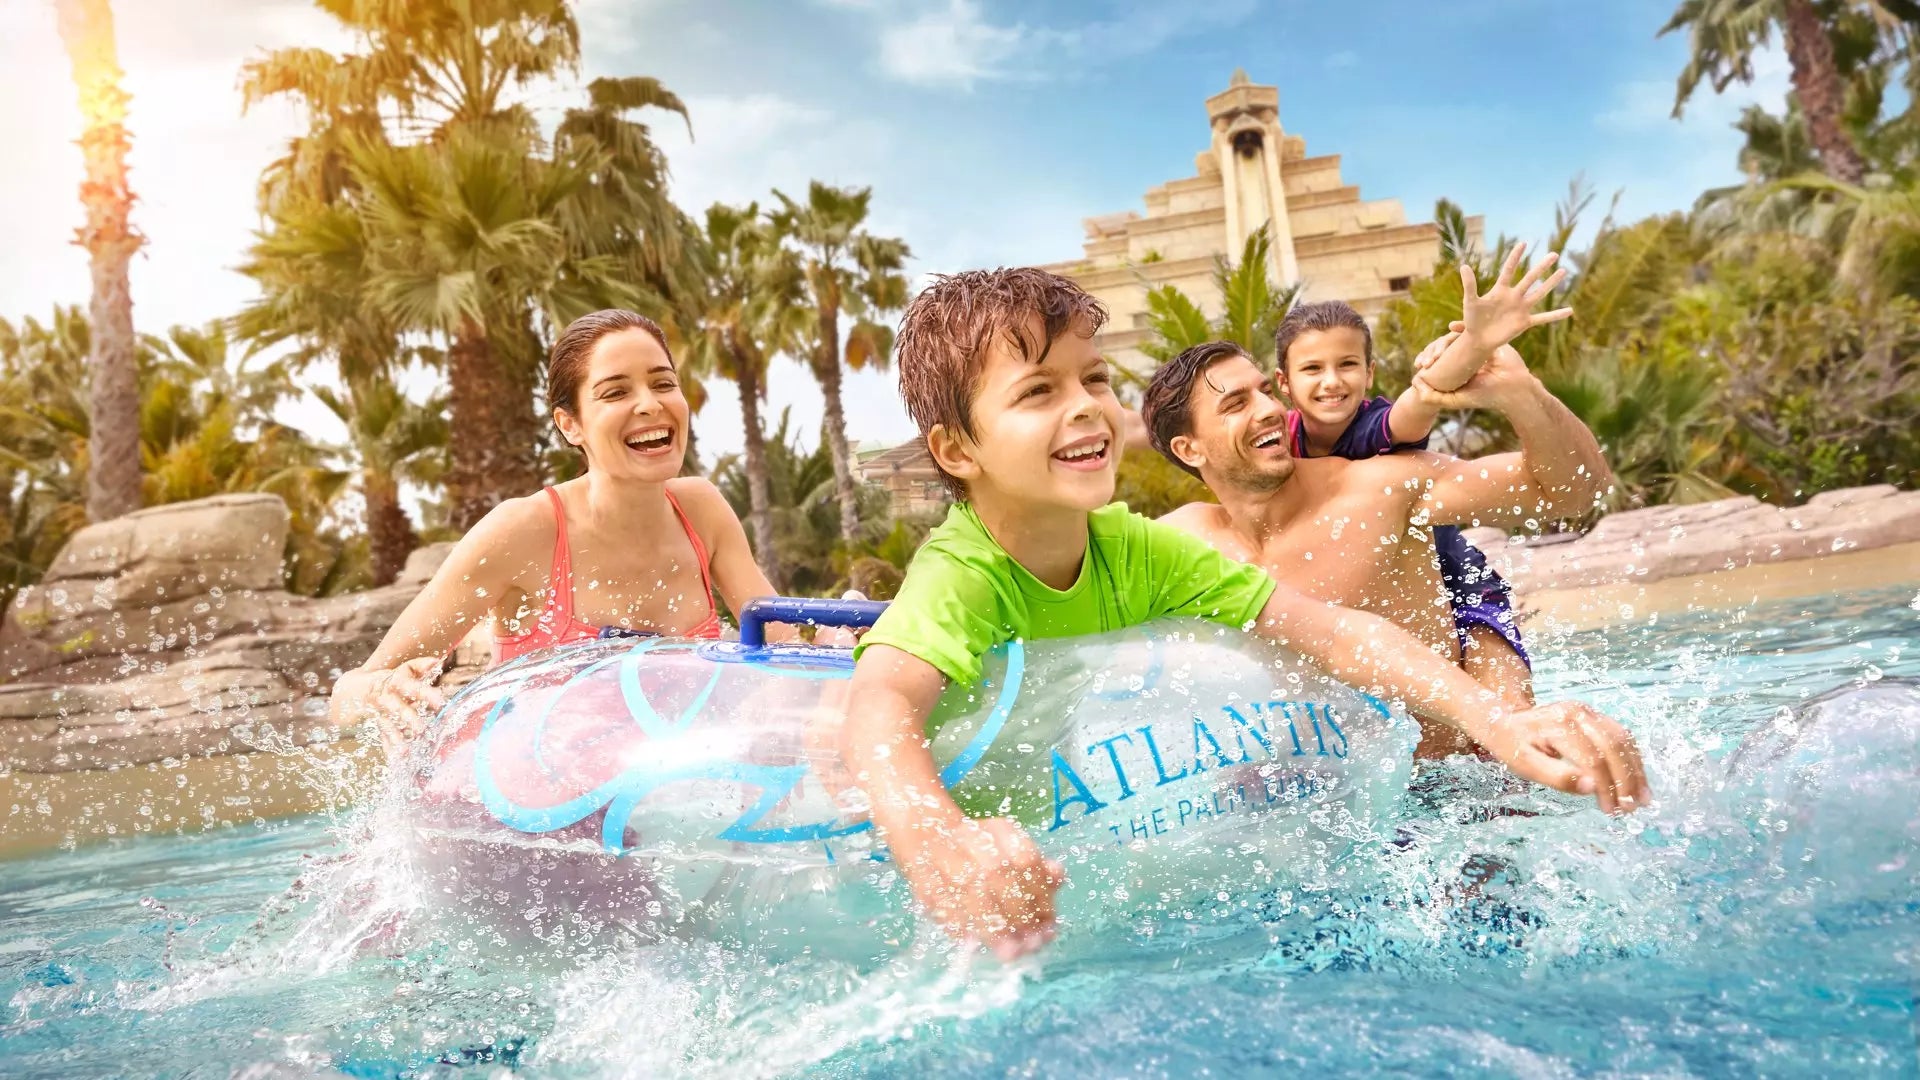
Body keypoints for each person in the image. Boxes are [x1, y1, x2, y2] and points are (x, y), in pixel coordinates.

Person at [839, 268, 1649, 962]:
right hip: (964, 853)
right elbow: (879, 703)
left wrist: (1497, 721)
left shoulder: (1143, 551)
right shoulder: (965, 571)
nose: (1085, 407)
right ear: (956, 451)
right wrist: (937, 842)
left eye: (1093, 380)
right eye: (1038, 391)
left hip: (1062, 852)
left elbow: (1335, 632)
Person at [329, 309, 781, 758]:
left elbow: (786, 645)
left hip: (671, 801)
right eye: (616, 392)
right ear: (571, 425)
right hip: (528, 816)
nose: (649, 403)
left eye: (663, 383)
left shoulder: (701, 511)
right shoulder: (525, 530)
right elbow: (344, 698)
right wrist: (381, 690)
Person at [1143, 333, 1612, 758]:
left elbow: (1571, 490)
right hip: (1326, 814)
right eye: (1235, 404)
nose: (1268, 409)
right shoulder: (1181, 547)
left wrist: (1522, 393)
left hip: (1464, 794)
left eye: (1265, 390)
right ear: (1189, 450)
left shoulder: (1374, 492)